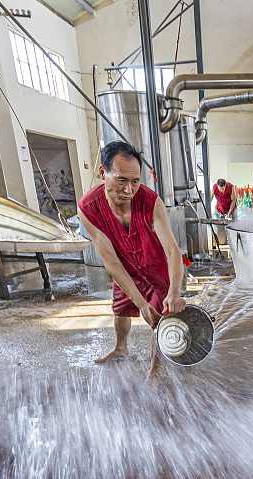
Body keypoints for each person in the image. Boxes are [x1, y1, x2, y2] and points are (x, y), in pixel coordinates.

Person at [78, 141, 186, 367]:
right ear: (103, 173)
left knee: (159, 319)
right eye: (121, 181)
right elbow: (111, 263)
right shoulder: (88, 208)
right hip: (124, 266)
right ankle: (120, 348)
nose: (129, 190)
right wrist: (140, 303)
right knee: (120, 308)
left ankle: (154, 373)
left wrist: (174, 292)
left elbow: (172, 251)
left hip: (156, 268)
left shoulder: (151, 202)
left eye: (135, 181)